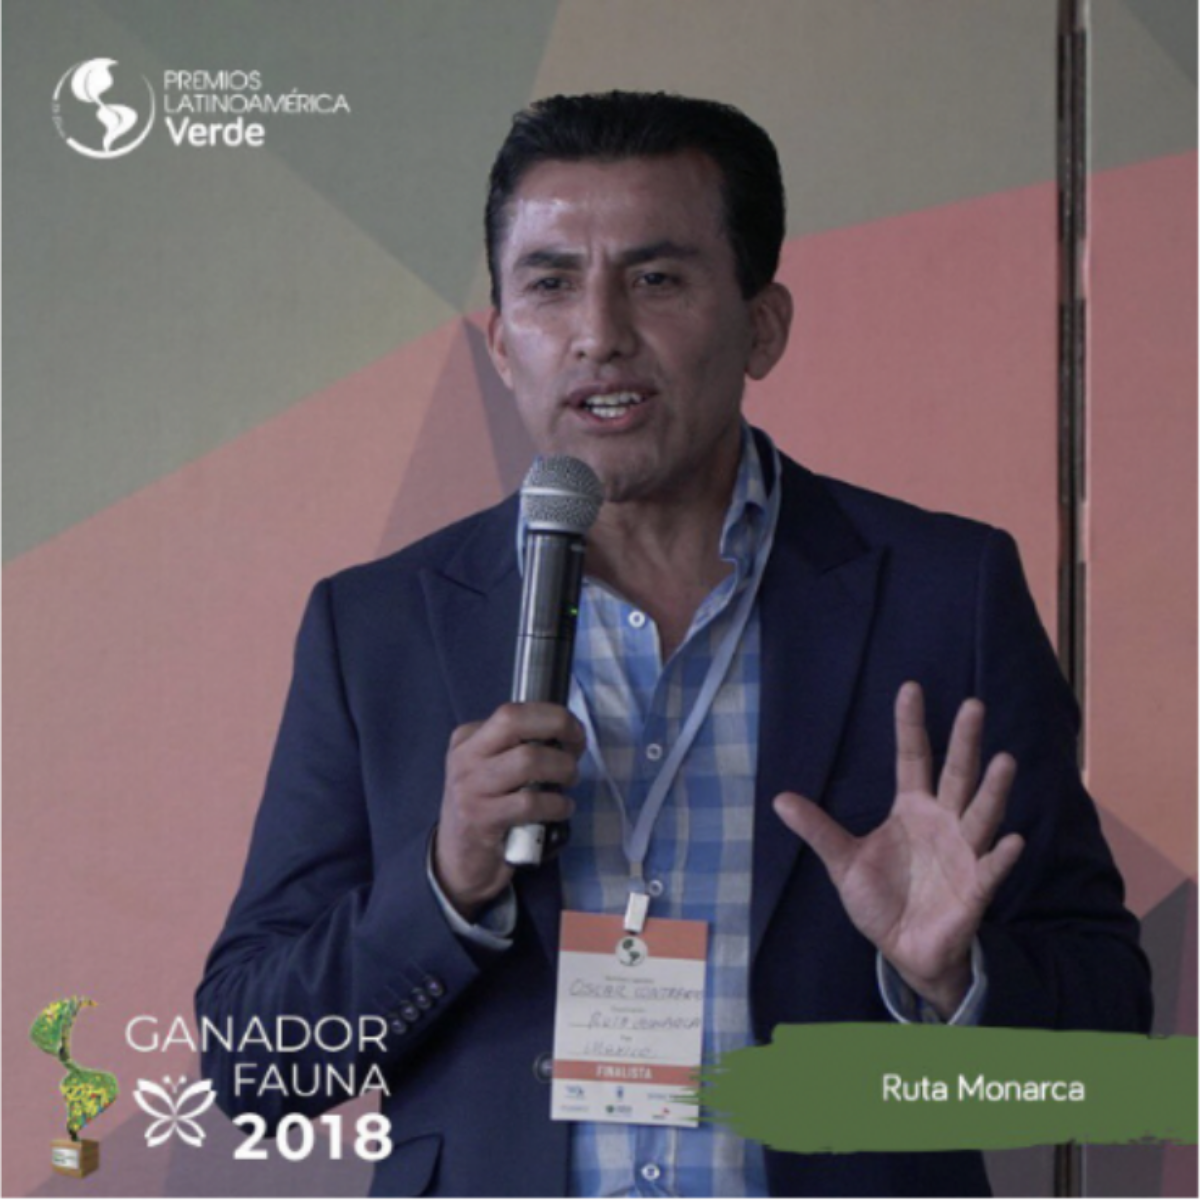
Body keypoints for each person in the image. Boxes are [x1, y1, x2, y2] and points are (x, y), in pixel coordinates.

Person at [197, 92, 1151, 1197]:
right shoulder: (377, 626)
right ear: (502, 342)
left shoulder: (945, 593)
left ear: (763, 326)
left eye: (655, 279)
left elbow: (1105, 1050)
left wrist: (955, 981)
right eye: (551, 283)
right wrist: (446, 883)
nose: (598, 332)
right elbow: (253, 1065)